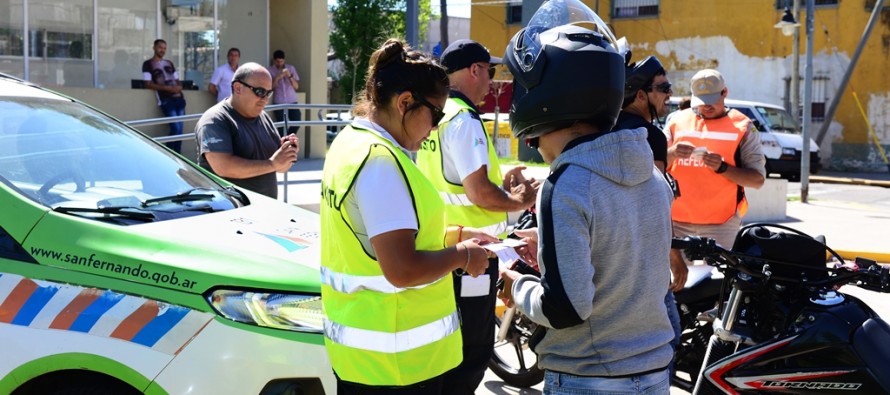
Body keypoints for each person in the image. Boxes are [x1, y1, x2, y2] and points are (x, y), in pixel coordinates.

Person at [498, 1, 675, 394]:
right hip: (653, 372)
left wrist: (514, 286)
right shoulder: (650, 172)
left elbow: (567, 308)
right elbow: (623, 251)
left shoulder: (567, 184)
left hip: (590, 376)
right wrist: (551, 245)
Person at [319, 39, 496, 395]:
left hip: (369, 359)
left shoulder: (350, 142)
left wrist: (454, 237)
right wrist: (463, 257)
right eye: (436, 114)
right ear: (404, 103)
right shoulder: (380, 162)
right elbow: (401, 269)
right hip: (399, 366)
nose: (434, 128)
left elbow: (376, 240)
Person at [415, 39, 538, 394]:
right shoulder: (466, 119)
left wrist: (502, 181)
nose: (492, 82)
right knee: (474, 349)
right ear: (474, 70)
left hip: (444, 245)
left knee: (449, 343)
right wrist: (517, 201)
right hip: (475, 257)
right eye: (491, 71)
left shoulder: (438, 115)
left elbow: (451, 180)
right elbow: (478, 192)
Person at [613, 54, 685, 383]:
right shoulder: (649, 136)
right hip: (644, 259)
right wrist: (676, 258)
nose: (669, 94)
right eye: (663, 88)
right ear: (641, 94)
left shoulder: (608, 128)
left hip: (613, 253)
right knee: (665, 339)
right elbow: (653, 206)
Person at [664, 69, 766, 254]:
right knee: (677, 282)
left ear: (724, 92)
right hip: (675, 223)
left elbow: (757, 180)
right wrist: (672, 153)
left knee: (719, 283)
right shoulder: (675, 121)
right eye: (701, 101)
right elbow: (655, 167)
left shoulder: (743, 127)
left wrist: (722, 167)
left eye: (711, 100)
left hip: (721, 226)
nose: (706, 107)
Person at [194, 62, 298, 199]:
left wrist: (287, 154)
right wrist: (272, 163)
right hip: (228, 215)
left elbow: (279, 168)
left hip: (266, 213)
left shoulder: (263, 117)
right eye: (260, 92)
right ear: (237, 88)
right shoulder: (214, 120)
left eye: (269, 93)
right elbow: (223, 167)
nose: (265, 100)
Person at [143, 39, 186, 153]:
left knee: (180, 131)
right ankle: (168, 154)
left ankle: (178, 155)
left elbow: (177, 80)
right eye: (160, 47)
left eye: (164, 48)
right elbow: (148, 84)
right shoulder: (148, 64)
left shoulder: (169, 63)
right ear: (154, 48)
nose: (162, 50)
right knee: (175, 128)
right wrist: (168, 88)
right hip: (166, 100)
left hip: (179, 99)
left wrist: (179, 87)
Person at [268, 49, 301, 135]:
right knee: (281, 126)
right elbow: (271, 87)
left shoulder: (291, 68)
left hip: (292, 101)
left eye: (281, 61)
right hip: (279, 101)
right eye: (278, 61)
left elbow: (296, 87)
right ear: (274, 61)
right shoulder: (270, 70)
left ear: (284, 60)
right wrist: (279, 76)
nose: (280, 63)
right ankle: (282, 145)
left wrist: (289, 75)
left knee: (296, 122)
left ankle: (289, 140)